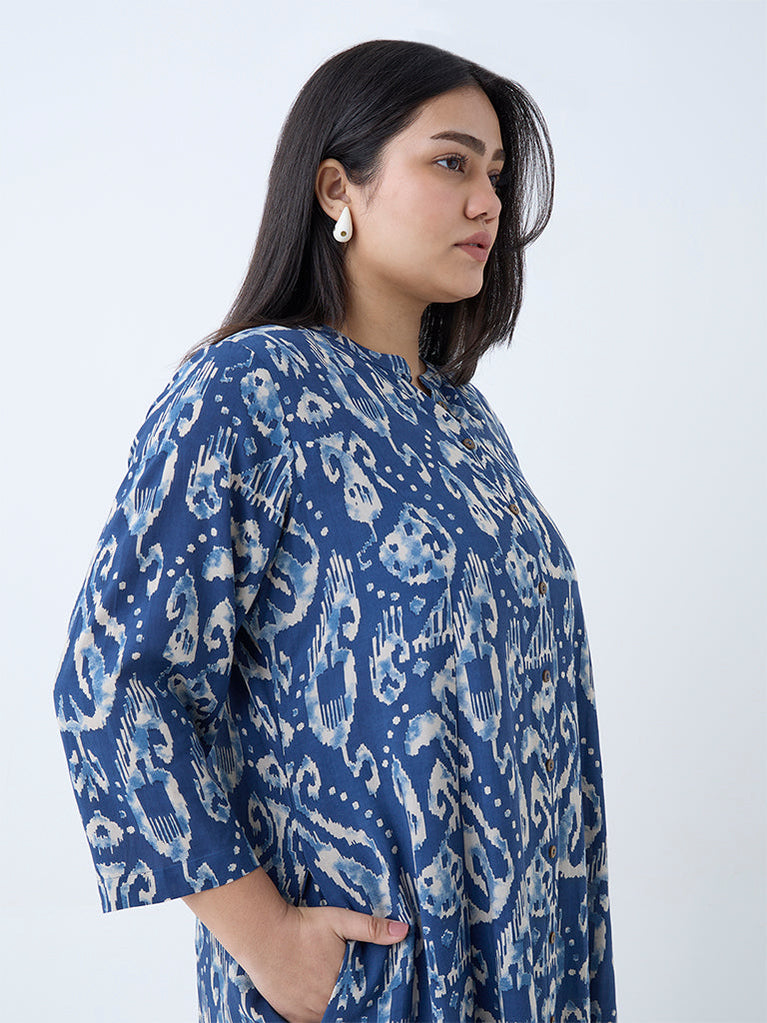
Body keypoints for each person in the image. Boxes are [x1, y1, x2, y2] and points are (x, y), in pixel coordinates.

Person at [53, 38, 617, 1023]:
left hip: (529, 964)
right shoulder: (246, 391)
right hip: (371, 983)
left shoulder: (463, 420)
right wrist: (270, 942)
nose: (487, 202)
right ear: (334, 188)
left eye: (494, 174)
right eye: (451, 162)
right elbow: (113, 686)